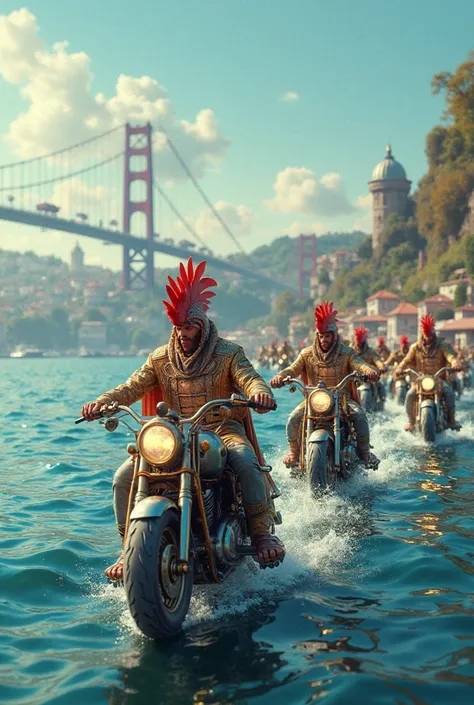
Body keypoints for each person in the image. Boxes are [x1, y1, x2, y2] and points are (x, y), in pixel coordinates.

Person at [81, 258, 285, 579]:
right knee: (124, 477)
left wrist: (259, 393)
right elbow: (133, 386)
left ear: (201, 326)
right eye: (178, 328)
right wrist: (103, 402)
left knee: (244, 460)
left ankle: (260, 533)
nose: (182, 334)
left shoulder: (229, 353)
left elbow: (250, 378)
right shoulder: (161, 357)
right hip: (175, 434)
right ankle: (129, 549)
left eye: (188, 327)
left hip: (221, 429)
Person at [270, 301, 380, 467]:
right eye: (320, 336)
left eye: (327, 336)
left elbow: (360, 364)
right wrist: (281, 375)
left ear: (334, 336)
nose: (323, 339)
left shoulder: (347, 353)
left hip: (342, 399)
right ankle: (294, 453)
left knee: (360, 416)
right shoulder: (306, 353)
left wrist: (369, 370)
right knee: (293, 418)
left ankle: (364, 452)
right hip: (314, 400)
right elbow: (293, 368)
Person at [395, 314, 463, 431]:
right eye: (426, 336)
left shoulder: (443, 346)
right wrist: (399, 368)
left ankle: (451, 420)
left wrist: (455, 363)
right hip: (420, 380)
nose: (428, 338)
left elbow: (451, 356)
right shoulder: (415, 347)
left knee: (449, 393)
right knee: (410, 395)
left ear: (433, 332)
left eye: (430, 335)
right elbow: (406, 360)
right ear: (422, 333)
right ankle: (411, 422)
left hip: (439, 379)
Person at [352, 327, 387, 404]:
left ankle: (380, 403)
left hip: (368, 378)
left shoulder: (370, 351)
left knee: (379, 385)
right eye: (358, 342)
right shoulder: (350, 350)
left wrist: (381, 366)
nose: (359, 345)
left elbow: (376, 359)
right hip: (352, 378)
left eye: (361, 343)